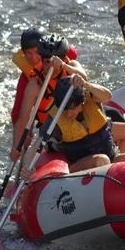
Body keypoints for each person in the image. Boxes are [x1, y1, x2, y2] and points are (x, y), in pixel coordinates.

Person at [21, 74, 125, 179]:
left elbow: (107, 95)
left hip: (111, 156)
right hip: (80, 164)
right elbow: (35, 146)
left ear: (82, 103)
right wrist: (27, 167)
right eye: (64, 110)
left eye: (72, 109)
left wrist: (84, 84)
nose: (68, 113)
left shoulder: (90, 98)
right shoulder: (56, 116)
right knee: (102, 160)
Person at [10, 34, 87, 162]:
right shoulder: (34, 85)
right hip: (51, 132)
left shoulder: (72, 66)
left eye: (56, 62)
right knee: (27, 160)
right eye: (47, 62)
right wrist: (16, 146)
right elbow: (23, 119)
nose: (53, 67)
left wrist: (64, 66)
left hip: (80, 125)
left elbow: (83, 78)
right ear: (41, 60)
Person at [11, 28, 79, 127]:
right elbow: (18, 114)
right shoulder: (28, 78)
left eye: (37, 52)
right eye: (28, 53)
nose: (33, 58)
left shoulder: (66, 52)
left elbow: (77, 64)